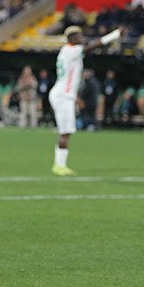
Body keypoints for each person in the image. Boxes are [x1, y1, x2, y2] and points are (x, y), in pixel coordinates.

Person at [49, 26, 121, 175]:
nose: (82, 38)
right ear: (71, 38)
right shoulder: (71, 50)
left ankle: (59, 165)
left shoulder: (67, 51)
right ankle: (59, 166)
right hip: (63, 96)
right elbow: (93, 46)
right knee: (65, 132)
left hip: (63, 94)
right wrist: (114, 35)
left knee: (66, 132)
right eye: (79, 35)